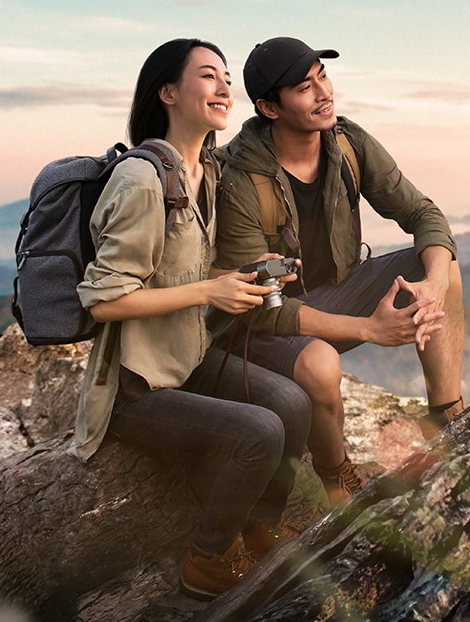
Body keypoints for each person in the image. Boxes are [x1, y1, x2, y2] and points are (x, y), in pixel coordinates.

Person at [70, 38, 311, 601]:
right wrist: (209, 290)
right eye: (209, 76)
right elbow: (104, 301)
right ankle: (206, 560)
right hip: (138, 385)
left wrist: (251, 274)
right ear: (168, 92)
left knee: (292, 403)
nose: (225, 87)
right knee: (260, 430)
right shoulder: (141, 180)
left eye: (227, 77)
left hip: (188, 359)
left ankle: (259, 528)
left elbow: (188, 272)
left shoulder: (205, 170)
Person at [213, 36, 465, 505]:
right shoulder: (240, 179)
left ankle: (448, 418)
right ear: (269, 108)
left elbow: (424, 215)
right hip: (262, 325)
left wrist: (432, 284)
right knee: (320, 364)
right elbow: (259, 307)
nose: (323, 92)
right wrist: (368, 329)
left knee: (441, 267)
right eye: (304, 87)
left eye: (322, 76)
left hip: (335, 291)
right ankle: (336, 479)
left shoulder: (347, 143)